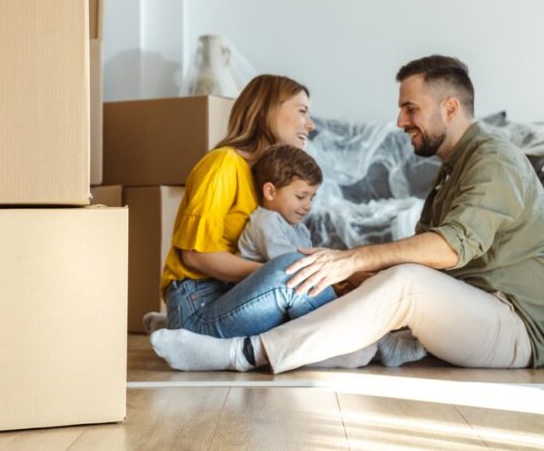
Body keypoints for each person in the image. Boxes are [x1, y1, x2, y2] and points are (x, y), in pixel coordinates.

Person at [151, 55, 544, 373]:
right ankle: (347, 343)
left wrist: (351, 261)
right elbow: (200, 256)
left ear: (450, 107)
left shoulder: (494, 160)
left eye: (411, 108)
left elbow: (446, 251)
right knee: (363, 276)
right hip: (479, 311)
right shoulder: (452, 171)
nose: (400, 121)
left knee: (401, 280)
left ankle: (242, 354)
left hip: (514, 325)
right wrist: (349, 275)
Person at [150, 75, 378, 369]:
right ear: (267, 111)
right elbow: (195, 255)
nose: (311, 125)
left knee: (295, 271)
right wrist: (275, 275)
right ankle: (351, 343)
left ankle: (344, 339)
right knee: (290, 271)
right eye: (302, 111)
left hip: (228, 297)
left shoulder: (265, 181)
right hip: (198, 303)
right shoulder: (222, 164)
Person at [237, 144, 323, 263]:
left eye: (311, 198)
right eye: (301, 197)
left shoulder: (300, 228)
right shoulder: (265, 221)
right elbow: (289, 262)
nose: (308, 206)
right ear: (270, 192)